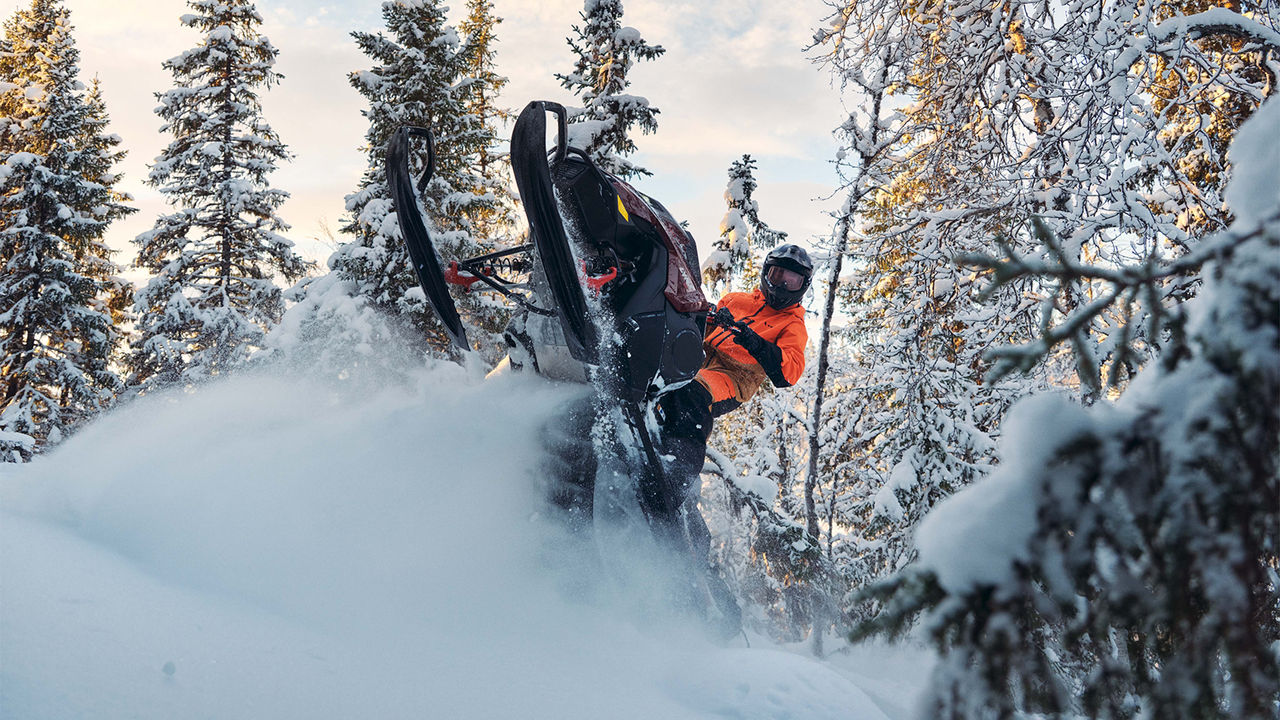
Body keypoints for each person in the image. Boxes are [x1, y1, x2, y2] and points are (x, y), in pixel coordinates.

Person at [652, 243, 813, 631]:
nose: (783, 285)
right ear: (767, 273)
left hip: (733, 376)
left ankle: (678, 478)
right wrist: (708, 316)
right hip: (695, 353)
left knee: (691, 396)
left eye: (792, 279)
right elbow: (698, 316)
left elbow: (788, 372)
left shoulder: (792, 325)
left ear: (802, 286)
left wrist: (757, 343)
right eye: (778, 274)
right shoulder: (738, 299)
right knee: (657, 381)